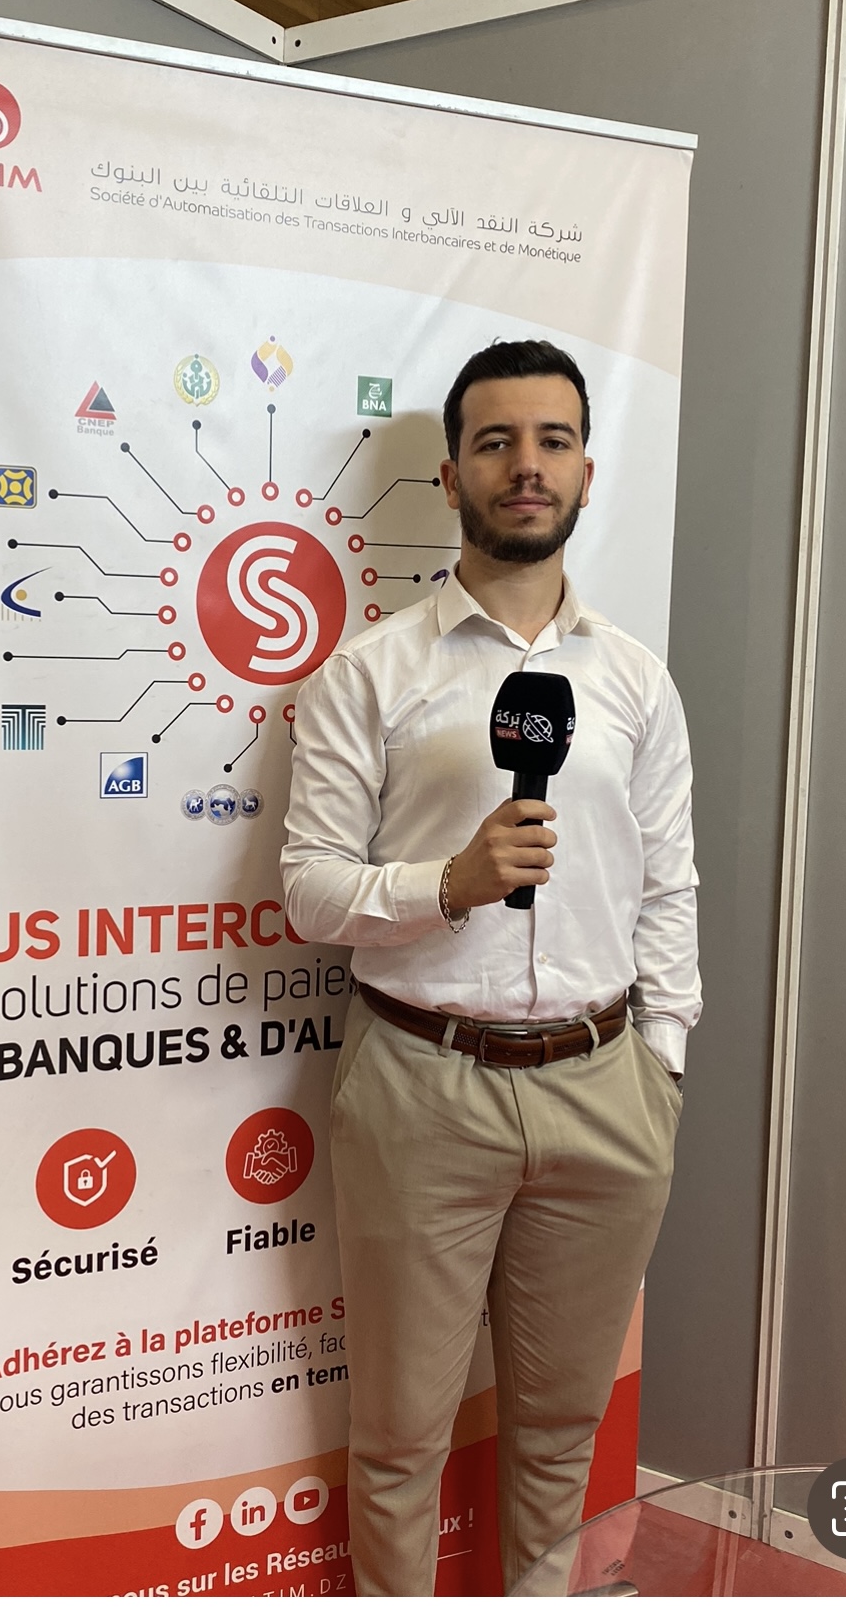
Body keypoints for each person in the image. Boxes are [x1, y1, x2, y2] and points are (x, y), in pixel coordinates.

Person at [280, 339, 700, 1596]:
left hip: (603, 1086)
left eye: (552, 441)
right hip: (422, 1085)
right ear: (452, 474)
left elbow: (667, 884)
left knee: (562, 1427)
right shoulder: (371, 673)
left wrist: (662, 1061)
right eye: (496, 442)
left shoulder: (633, 679)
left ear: (585, 471)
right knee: (400, 1437)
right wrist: (448, 883)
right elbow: (309, 888)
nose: (527, 466)